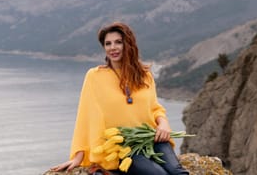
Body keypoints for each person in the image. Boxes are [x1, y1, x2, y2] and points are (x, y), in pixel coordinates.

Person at [51, 22, 189, 175]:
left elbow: (155, 108)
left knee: (178, 172)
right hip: (123, 147)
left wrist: (164, 125)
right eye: (107, 44)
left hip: (152, 138)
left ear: (128, 44)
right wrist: (78, 156)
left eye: (118, 42)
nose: (112, 47)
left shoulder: (145, 75)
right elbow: (85, 117)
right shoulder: (94, 76)